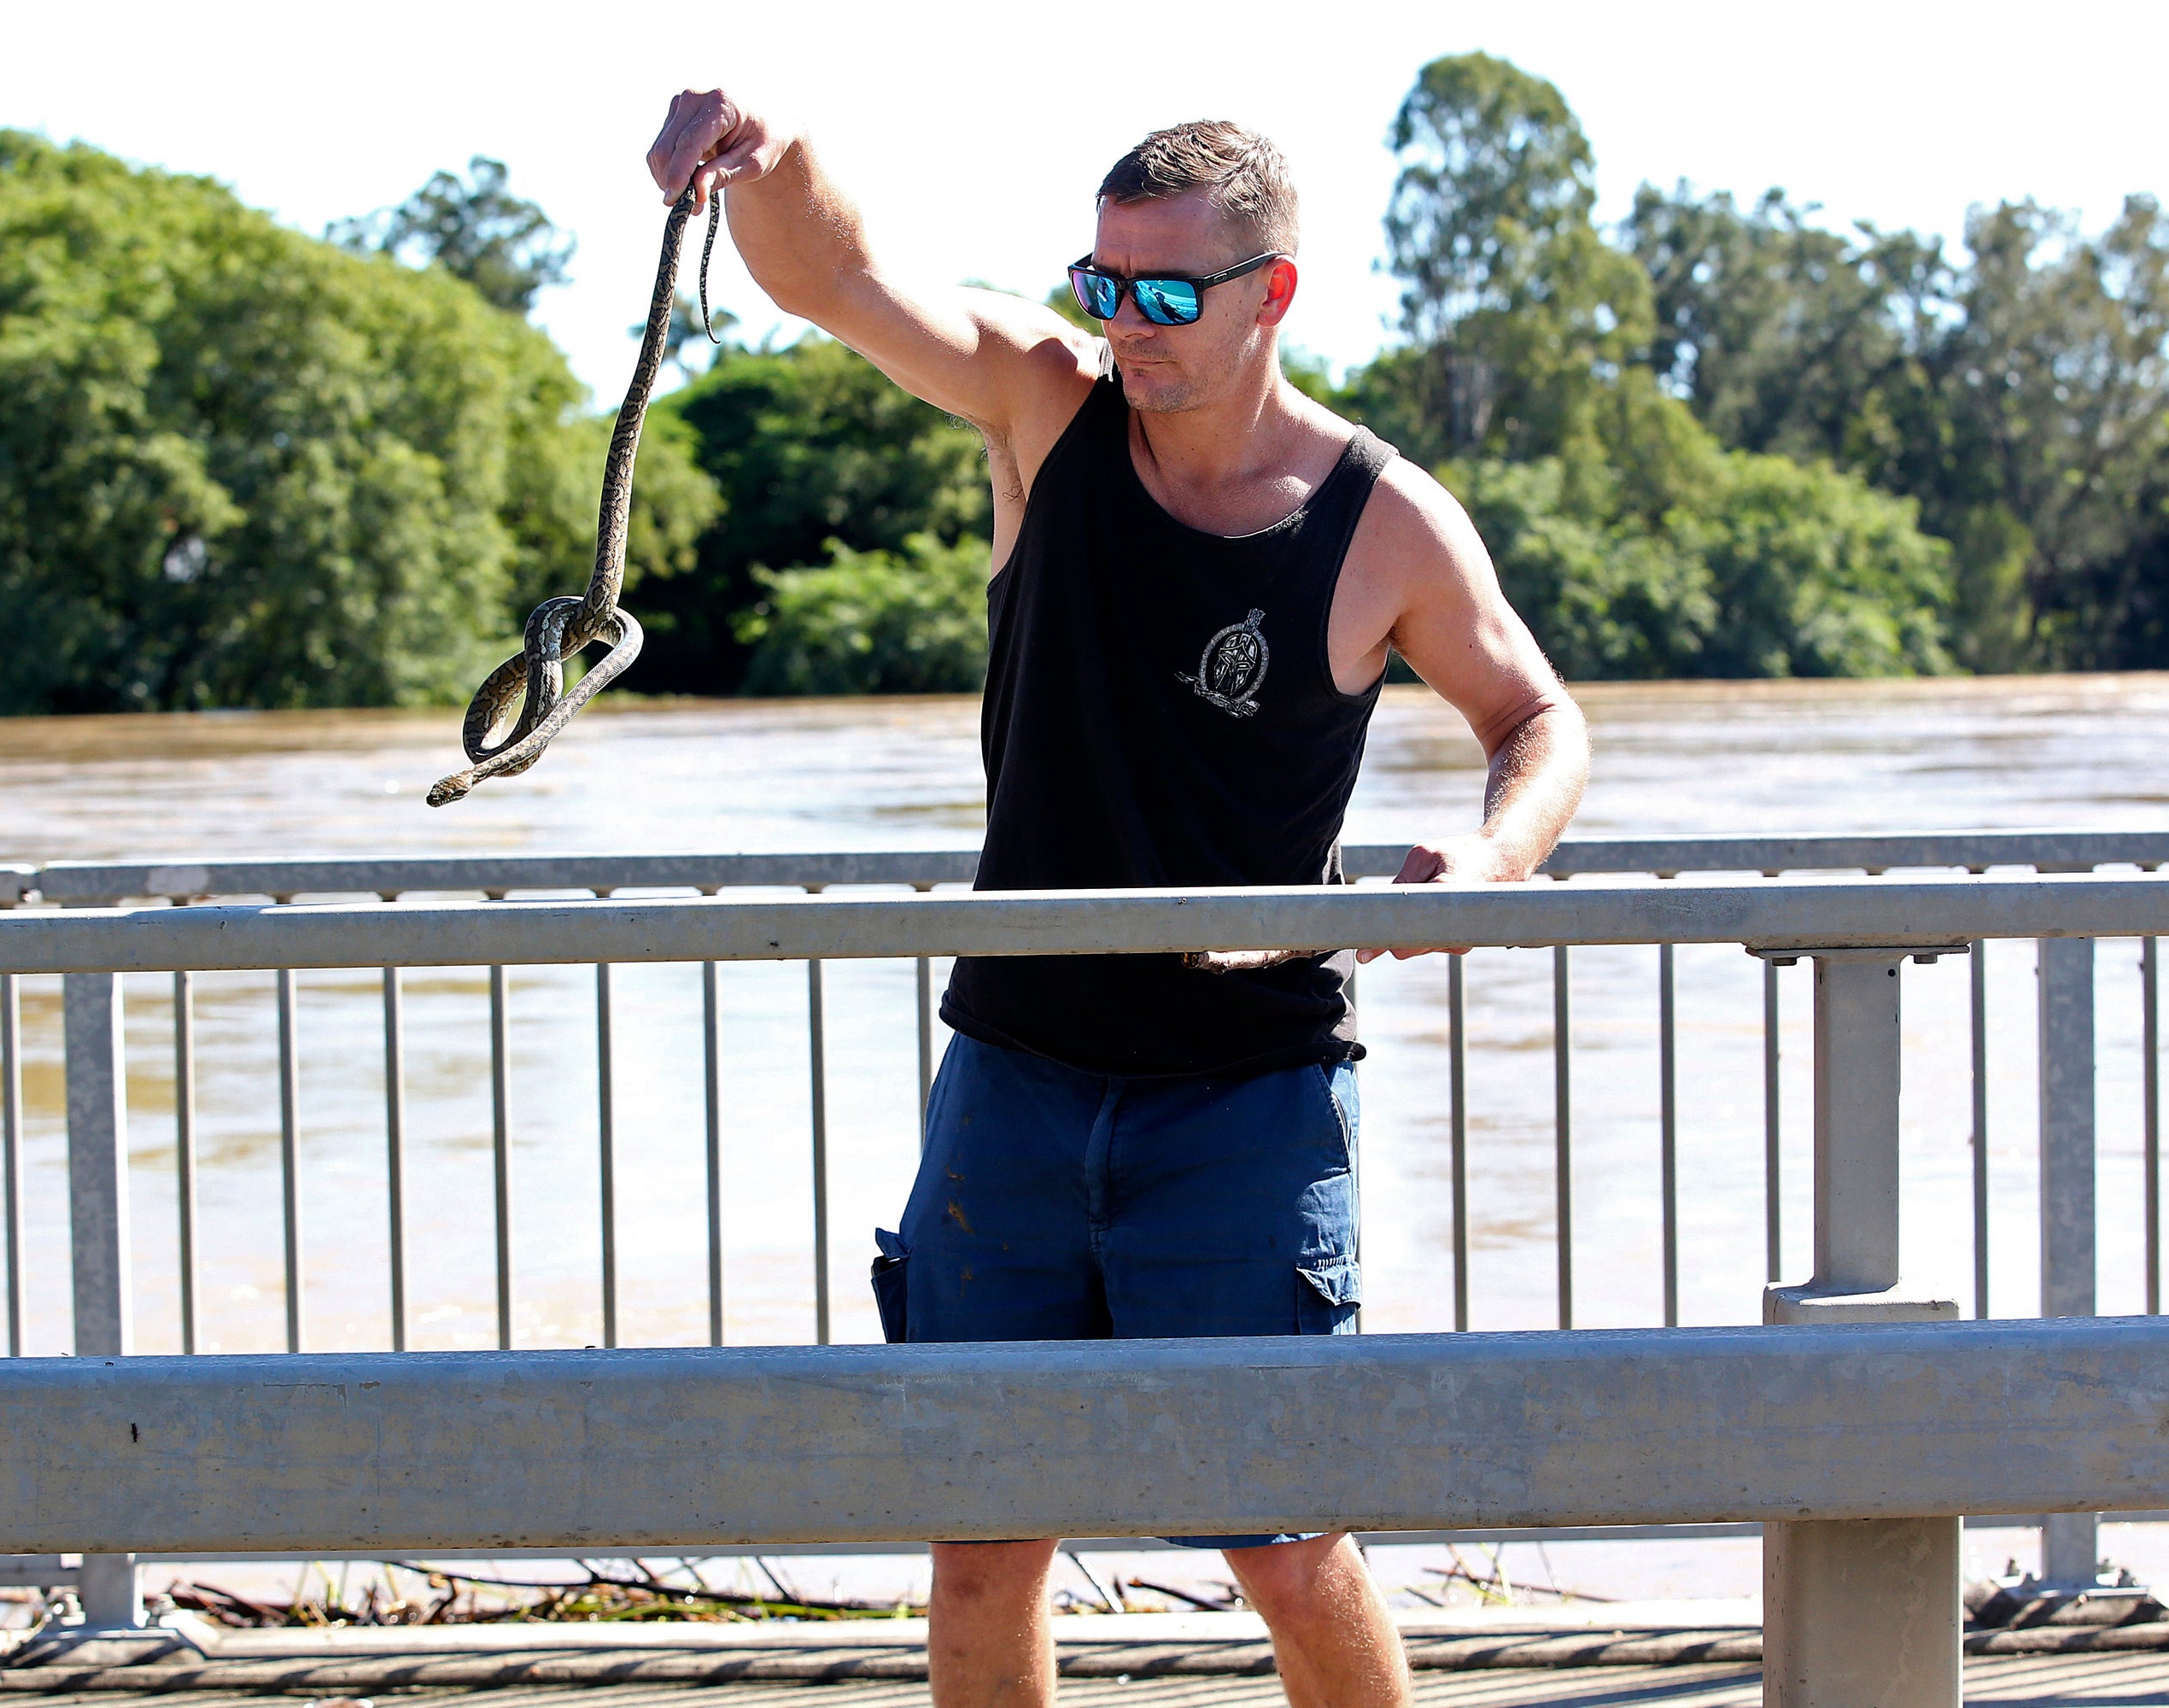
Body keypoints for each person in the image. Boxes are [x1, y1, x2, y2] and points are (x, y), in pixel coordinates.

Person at [646, 94, 1590, 1708]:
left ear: (1270, 294)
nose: (1124, 325)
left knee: (1284, 1539)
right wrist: (770, 153)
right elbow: (844, 283)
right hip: (1016, 1071)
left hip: (1252, 1095)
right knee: (983, 1540)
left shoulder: (1383, 522)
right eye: (1104, 283)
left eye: (1165, 294)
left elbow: (1542, 721)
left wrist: (1491, 860)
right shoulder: (1047, 413)